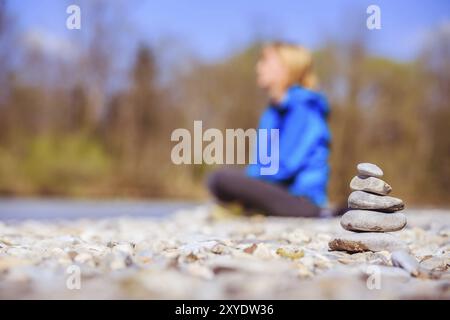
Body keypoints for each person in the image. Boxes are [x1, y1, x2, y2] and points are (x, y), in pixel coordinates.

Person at [207, 42, 337, 218]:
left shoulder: (304, 108)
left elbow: (285, 166)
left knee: (222, 178)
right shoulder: (272, 113)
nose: (258, 67)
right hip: (279, 192)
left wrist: (250, 183)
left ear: (287, 68)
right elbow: (262, 163)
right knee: (219, 180)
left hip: (302, 201)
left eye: (265, 61)